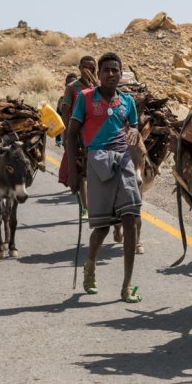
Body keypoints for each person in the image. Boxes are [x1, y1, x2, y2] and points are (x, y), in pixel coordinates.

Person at [67, 52, 142, 303]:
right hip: (97, 162)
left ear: (121, 74)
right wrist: (73, 172)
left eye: (115, 70)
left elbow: (134, 128)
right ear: (98, 75)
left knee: (131, 218)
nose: (111, 74)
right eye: (106, 70)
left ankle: (127, 285)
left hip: (123, 160)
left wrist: (134, 134)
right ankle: (90, 265)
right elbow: (71, 134)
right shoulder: (86, 99)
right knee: (103, 227)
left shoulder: (127, 101)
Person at [59, 57, 97, 216]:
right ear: (80, 68)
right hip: (78, 134)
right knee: (79, 170)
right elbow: (66, 111)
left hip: (95, 134)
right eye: (85, 67)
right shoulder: (72, 88)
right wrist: (66, 135)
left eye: (92, 67)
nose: (88, 70)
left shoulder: (99, 86)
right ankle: (86, 206)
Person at [55, 72, 77, 147]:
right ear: (65, 84)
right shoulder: (62, 100)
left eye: (73, 83)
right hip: (66, 133)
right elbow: (58, 118)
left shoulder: (80, 99)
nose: (71, 85)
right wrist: (58, 138)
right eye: (69, 83)